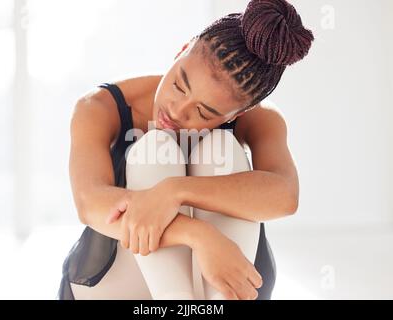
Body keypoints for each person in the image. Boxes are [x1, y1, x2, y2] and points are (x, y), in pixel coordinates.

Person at [58, 0, 313, 300]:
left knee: (221, 148)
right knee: (155, 147)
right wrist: (199, 236)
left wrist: (175, 191)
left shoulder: (263, 121)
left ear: (239, 113)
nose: (176, 111)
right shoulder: (100, 107)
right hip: (116, 282)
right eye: (180, 85)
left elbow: (284, 196)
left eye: (204, 112)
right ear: (182, 50)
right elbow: (90, 203)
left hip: (219, 287)